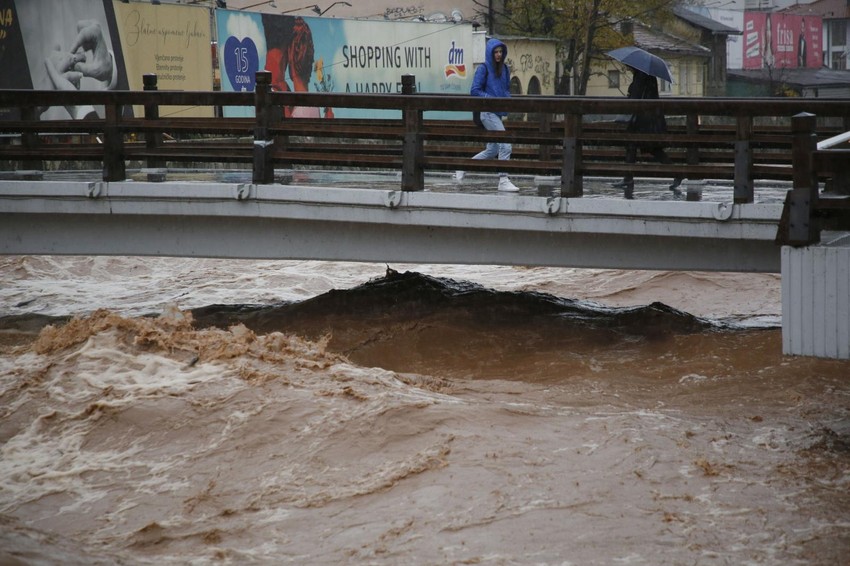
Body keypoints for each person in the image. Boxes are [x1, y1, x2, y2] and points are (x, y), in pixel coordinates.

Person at [455, 38, 519, 192]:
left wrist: (508, 102)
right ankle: (503, 180)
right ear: (490, 53)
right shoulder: (483, 68)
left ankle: (462, 168)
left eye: (500, 52)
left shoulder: (504, 69)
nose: (498, 54)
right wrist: (490, 99)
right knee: (505, 144)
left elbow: (506, 90)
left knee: (493, 150)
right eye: (495, 52)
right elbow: (474, 90)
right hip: (487, 112)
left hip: (497, 113)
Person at [612, 67, 682, 199]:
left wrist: (630, 94)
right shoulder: (646, 75)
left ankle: (629, 178)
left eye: (628, 66)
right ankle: (629, 177)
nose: (627, 68)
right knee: (640, 147)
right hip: (648, 119)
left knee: (644, 147)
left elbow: (636, 97)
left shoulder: (641, 75)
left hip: (644, 120)